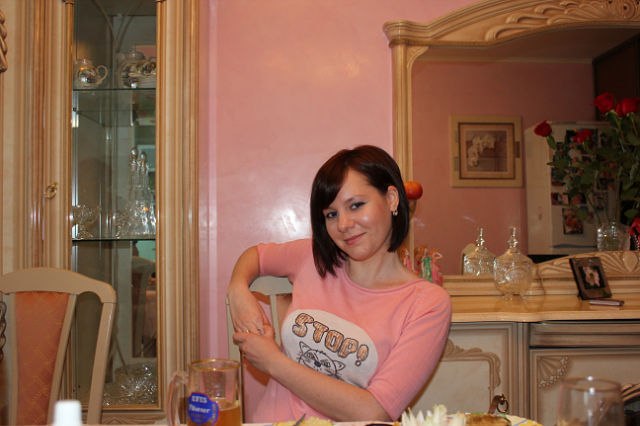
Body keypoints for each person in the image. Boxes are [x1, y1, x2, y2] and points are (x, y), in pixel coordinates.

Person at [226, 145, 452, 422]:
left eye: (356, 205)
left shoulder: (426, 304)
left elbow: (375, 410)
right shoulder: (313, 258)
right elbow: (256, 256)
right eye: (331, 214)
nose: (343, 224)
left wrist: (273, 362)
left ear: (392, 199)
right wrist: (238, 289)